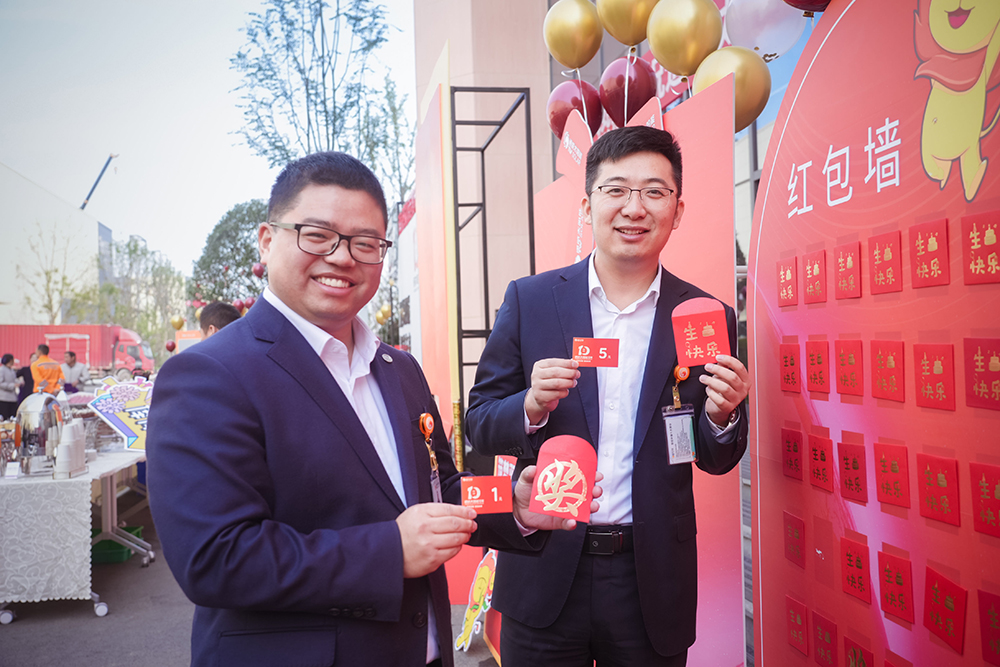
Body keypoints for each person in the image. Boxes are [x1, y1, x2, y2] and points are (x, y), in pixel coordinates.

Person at [146, 151, 594, 667]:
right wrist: (390, 552)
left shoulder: (399, 369)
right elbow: (216, 557)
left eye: (365, 243)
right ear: (267, 241)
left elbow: (439, 489)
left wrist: (510, 503)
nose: (342, 257)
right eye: (317, 235)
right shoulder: (209, 374)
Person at [466, 126, 751, 666]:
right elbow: (478, 422)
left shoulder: (704, 316)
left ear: (677, 210)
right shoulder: (530, 301)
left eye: (654, 192)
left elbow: (715, 458)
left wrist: (722, 416)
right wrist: (529, 405)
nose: (634, 208)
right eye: (616, 189)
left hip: (650, 580)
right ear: (587, 205)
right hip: (545, 566)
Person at [0, 354, 23, 420]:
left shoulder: (11, 370)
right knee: (5, 417)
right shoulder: (2, 370)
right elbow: (0, 383)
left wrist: (19, 382)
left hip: (12, 397)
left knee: (12, 416)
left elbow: (14, 379)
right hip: (4, 398)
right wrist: (12, 385)